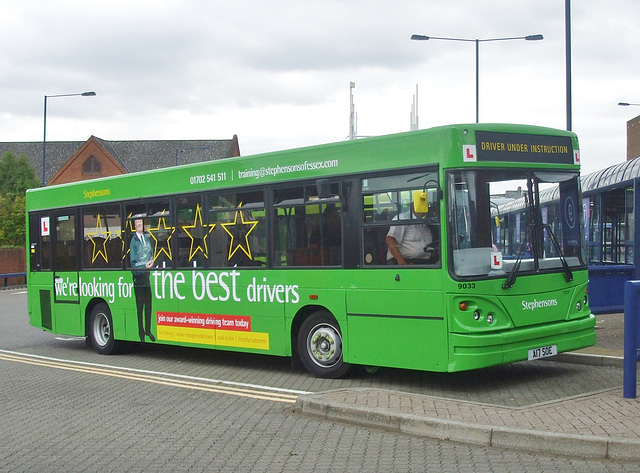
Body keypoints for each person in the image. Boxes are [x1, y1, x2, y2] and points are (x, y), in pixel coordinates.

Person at [130, 217, 155, 342]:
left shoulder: (146, 238)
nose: (140, 224)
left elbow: (150, 253)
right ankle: (141, 333)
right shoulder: (133, 241)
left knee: (149, 305)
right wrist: (144, 266)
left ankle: (148, 330)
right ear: (135, 225)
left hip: (146, 278)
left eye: (141, 222)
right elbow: (133, 264)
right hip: (138, 280)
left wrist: (151, 261)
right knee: (140, 308)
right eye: (137, 223)